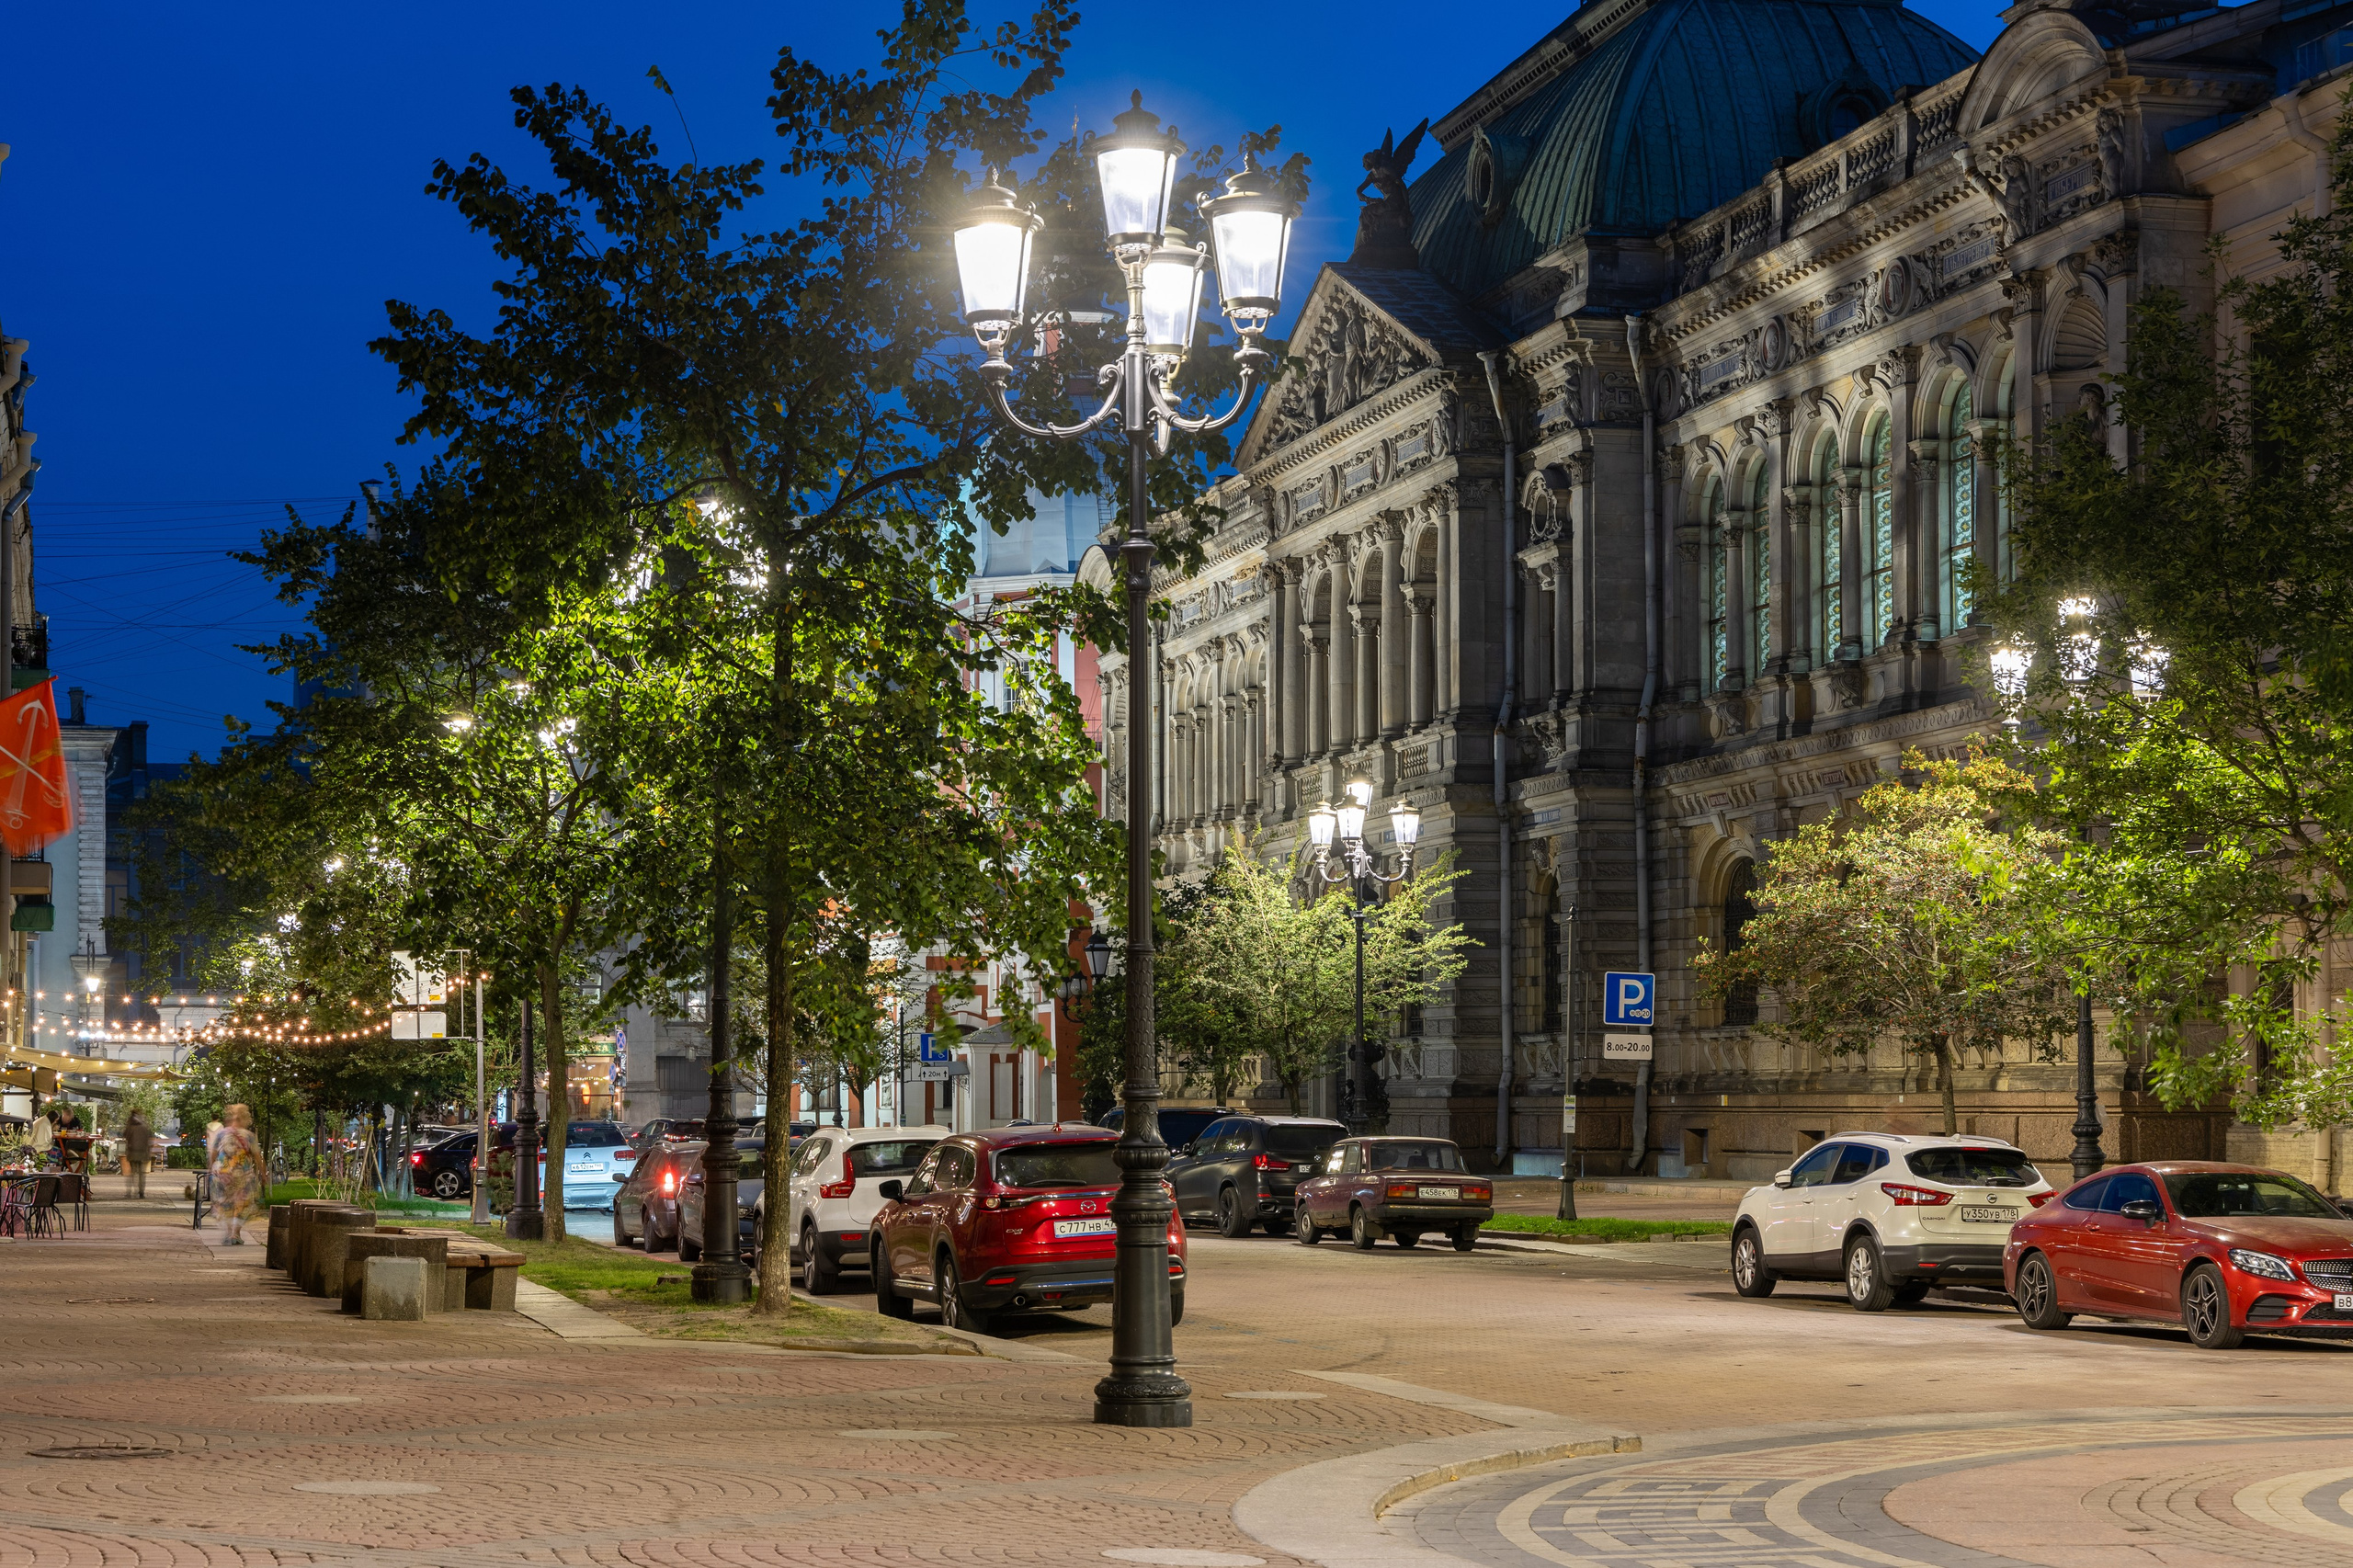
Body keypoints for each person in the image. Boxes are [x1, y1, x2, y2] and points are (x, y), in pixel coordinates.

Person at [208, 1104, 262, 1244]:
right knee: (241, 1203)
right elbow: (258, 1157)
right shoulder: (249, 1136)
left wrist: (211, 1170)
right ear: (245, 1119)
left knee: (225, 1203)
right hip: (241, 1175)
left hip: (222, 1175)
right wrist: (263, 1173)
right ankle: (235, 1233)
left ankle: (228, 1232)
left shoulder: (222, 1133)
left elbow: (213, 1154)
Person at [123, 1108, 153, 1199]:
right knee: (141, 1173)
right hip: (142, 1152)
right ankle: (141, 1192)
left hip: (132, 1151)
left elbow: (125, 1135)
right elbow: (148, 1138)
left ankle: (129, 1192)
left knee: (132, 1173)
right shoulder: (144, 1126)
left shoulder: (130, 1126)